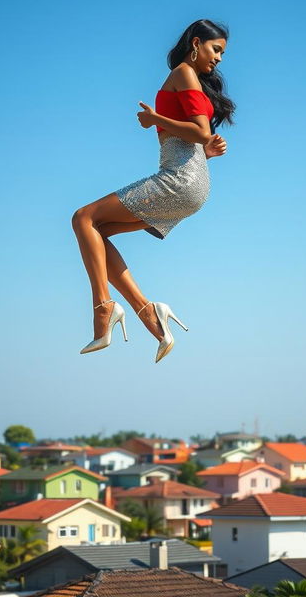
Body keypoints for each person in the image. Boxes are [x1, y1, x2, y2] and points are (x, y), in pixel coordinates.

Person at [71, 19, 236, 362]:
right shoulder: (187, 77)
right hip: (194, 182)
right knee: (96, 231)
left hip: (179, 179)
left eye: (221, 52)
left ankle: (103, 309)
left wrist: (155, 120)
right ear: (196, 43)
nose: (218, 58)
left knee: (83, 217)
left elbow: (200, 131)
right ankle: (148, 312)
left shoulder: (183, 73)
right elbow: (197, 139)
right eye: (215, 49)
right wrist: (206, 152)